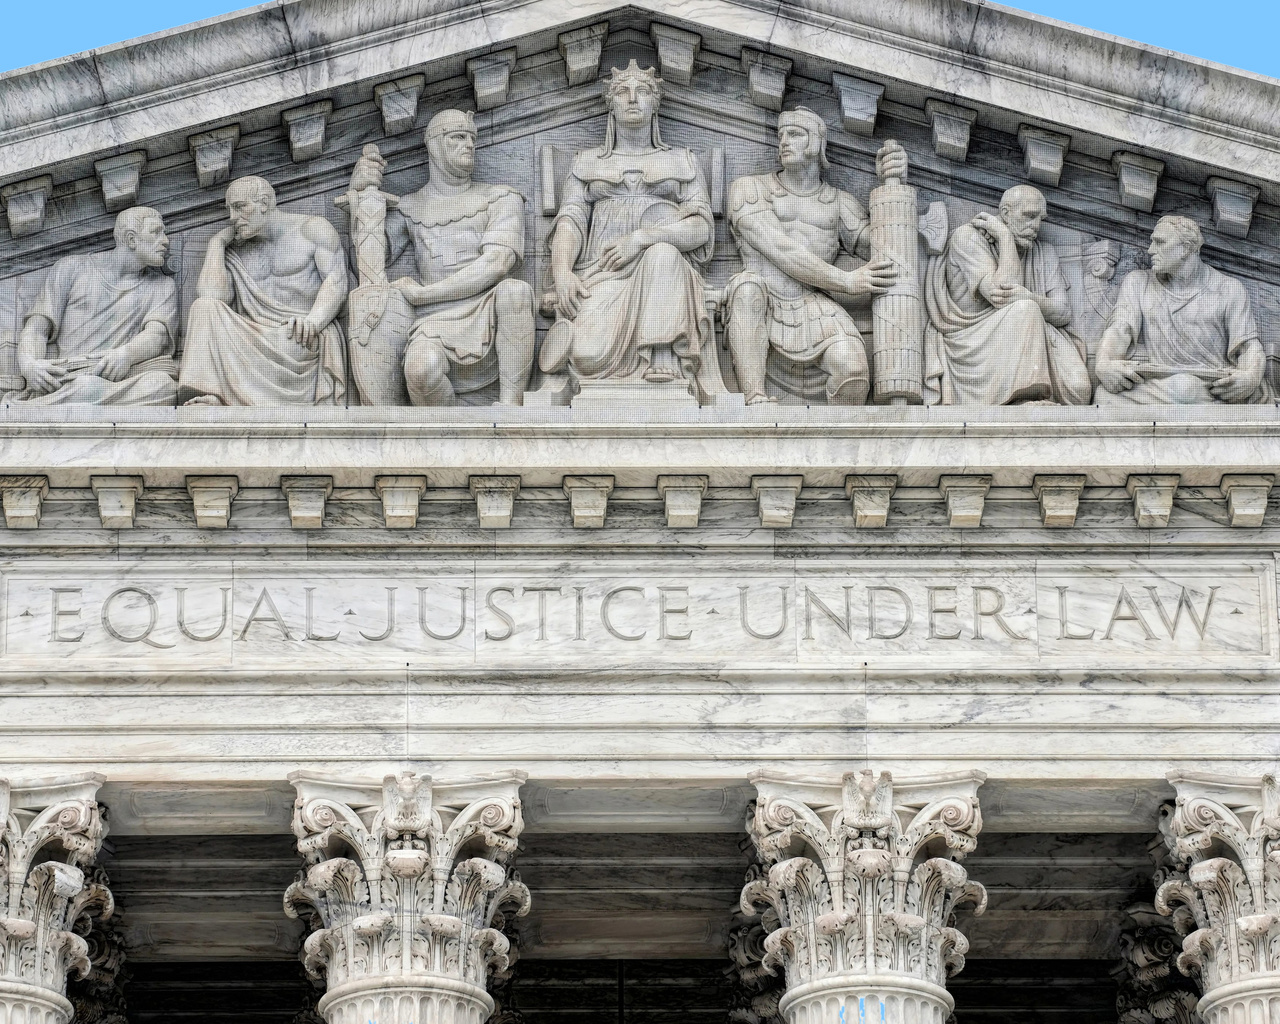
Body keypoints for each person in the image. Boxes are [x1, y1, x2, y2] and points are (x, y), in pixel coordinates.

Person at [541, 60, 725, 401]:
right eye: (623, 92)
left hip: (666, 278)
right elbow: (570, 221)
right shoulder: (587, 162)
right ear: (611, 103)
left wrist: (642, 239)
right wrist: (562, 271)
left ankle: (662, 354)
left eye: (642, 92)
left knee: (662, 254)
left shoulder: (683, 161)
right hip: (601, 275)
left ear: (655, 103)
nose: (632, 99)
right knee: (586, 353)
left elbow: (700, 229)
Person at [347, 110, 534, 406]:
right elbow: (369, 261)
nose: (470, 144)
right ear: (434, 145)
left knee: (516, 290)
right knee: (421, 369)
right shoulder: (410, 207)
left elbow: (498, 263)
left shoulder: (501, 197)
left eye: (472, 138)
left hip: (488, 310)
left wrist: (424, 294)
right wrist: (361, 196)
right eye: (458, 137)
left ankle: (511, 409)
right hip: (431, 320)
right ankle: (447, 434)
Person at [725, 107, 901, 405]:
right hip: (762, 300)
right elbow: (781, 249)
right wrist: (846, 281)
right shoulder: (749, 189)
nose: (783, 141)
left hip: (812, 306)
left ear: (817, 143)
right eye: (781, 135)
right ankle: (754, 397)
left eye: (795, 134)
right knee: (747, 288)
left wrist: (893, 185)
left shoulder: (839, 203)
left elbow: (884, 248)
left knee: (853, 371)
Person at [179, 176, 348, 406]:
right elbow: (212, 296)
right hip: (252, 339)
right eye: (230, 210)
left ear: (264, 203)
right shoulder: (237, 249)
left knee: (296, 336)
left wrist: (313, 322)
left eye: (239, 207)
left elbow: (336, 281)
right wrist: (216, 244)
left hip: (298, 338)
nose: (232, 218)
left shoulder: (312, 230)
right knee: (203, 307)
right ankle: (213, 394)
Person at [924, 184, 1091, 405]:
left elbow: (1063, 312)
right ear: (1005, 214)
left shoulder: (1044, 252)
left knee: (1079, 391)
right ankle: (1024, 398)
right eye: (1029, 216)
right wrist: (1005, 237)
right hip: (971, 337)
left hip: (1030, 328)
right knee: (1025, 310)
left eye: (1040, 219)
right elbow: (1002, 293)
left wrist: (1030, 297)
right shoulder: (968, 237)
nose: (1036, 226)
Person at [1096, 215, 1273, 404]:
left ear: (1186, 248)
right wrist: (1103, 364)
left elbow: (1248, 347)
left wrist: (1251, 377)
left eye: (1160, 243)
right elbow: (1119, 330)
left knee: (1187, 388)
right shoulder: (1138, 282)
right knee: (1103, 397)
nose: (1150, 250)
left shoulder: (1229, 289)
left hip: (1214, 387)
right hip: (1159, 388)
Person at [14, 207, 179, 405]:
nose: (166, 241)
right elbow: (36, 330)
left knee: (162, 385)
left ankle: (63, 403)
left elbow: (157, 336)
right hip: (68, 378)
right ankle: (54, 402)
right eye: (156, 232)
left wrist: (126, 355)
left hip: (120, 381)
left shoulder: (162, 286)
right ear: (131, 239)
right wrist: (29, 365)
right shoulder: (72, 268)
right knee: (86, 386)